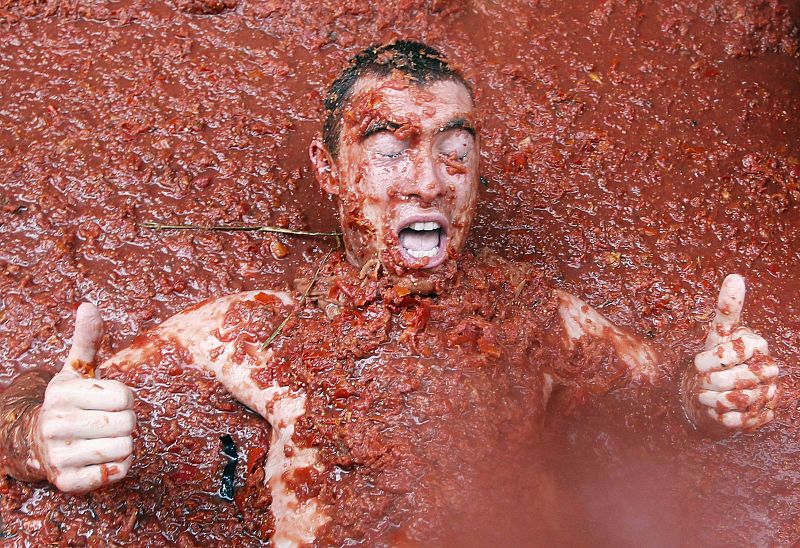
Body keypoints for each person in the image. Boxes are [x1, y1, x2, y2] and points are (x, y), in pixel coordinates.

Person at [0, 41, 781, 545]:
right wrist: (38, 435)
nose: (430, 180)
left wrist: (708, 394)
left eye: (456, 148)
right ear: (328, 169)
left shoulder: (537, 317)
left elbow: (662, 393)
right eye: (389, 148)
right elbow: (41, 398)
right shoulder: (263, 336)